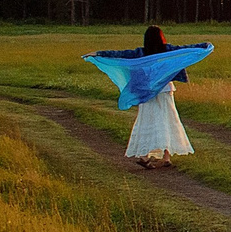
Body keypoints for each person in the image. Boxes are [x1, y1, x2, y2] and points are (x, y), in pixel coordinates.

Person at [82, 26, 213, 170]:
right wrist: (204, 45)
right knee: (167, 120)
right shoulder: (167, 50)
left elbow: (120, 55)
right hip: (165, 90)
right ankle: (164, 157)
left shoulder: (141, 53)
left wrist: (98, 54)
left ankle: (147, 156)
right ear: (161, 37)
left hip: (146, 91)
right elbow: (186, 49)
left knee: (148, 120)